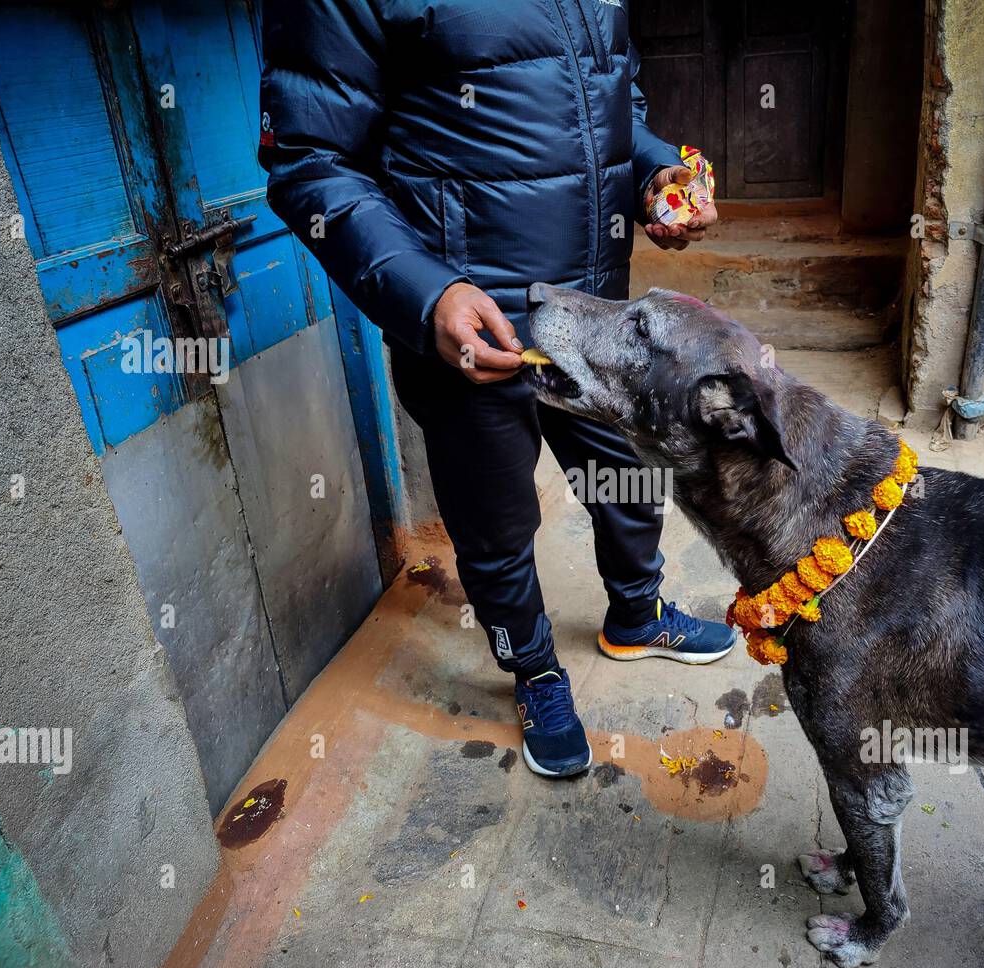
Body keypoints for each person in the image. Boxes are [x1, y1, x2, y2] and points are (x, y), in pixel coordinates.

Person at [259, 0, 734, 778]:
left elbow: (615, 101)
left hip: (593, 318)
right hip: (473, 329)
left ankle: (636, 612)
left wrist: (654, 171)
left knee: (631, 480)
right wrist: (427, 294)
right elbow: (309, 158)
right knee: (496, 524)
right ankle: (536, 668)